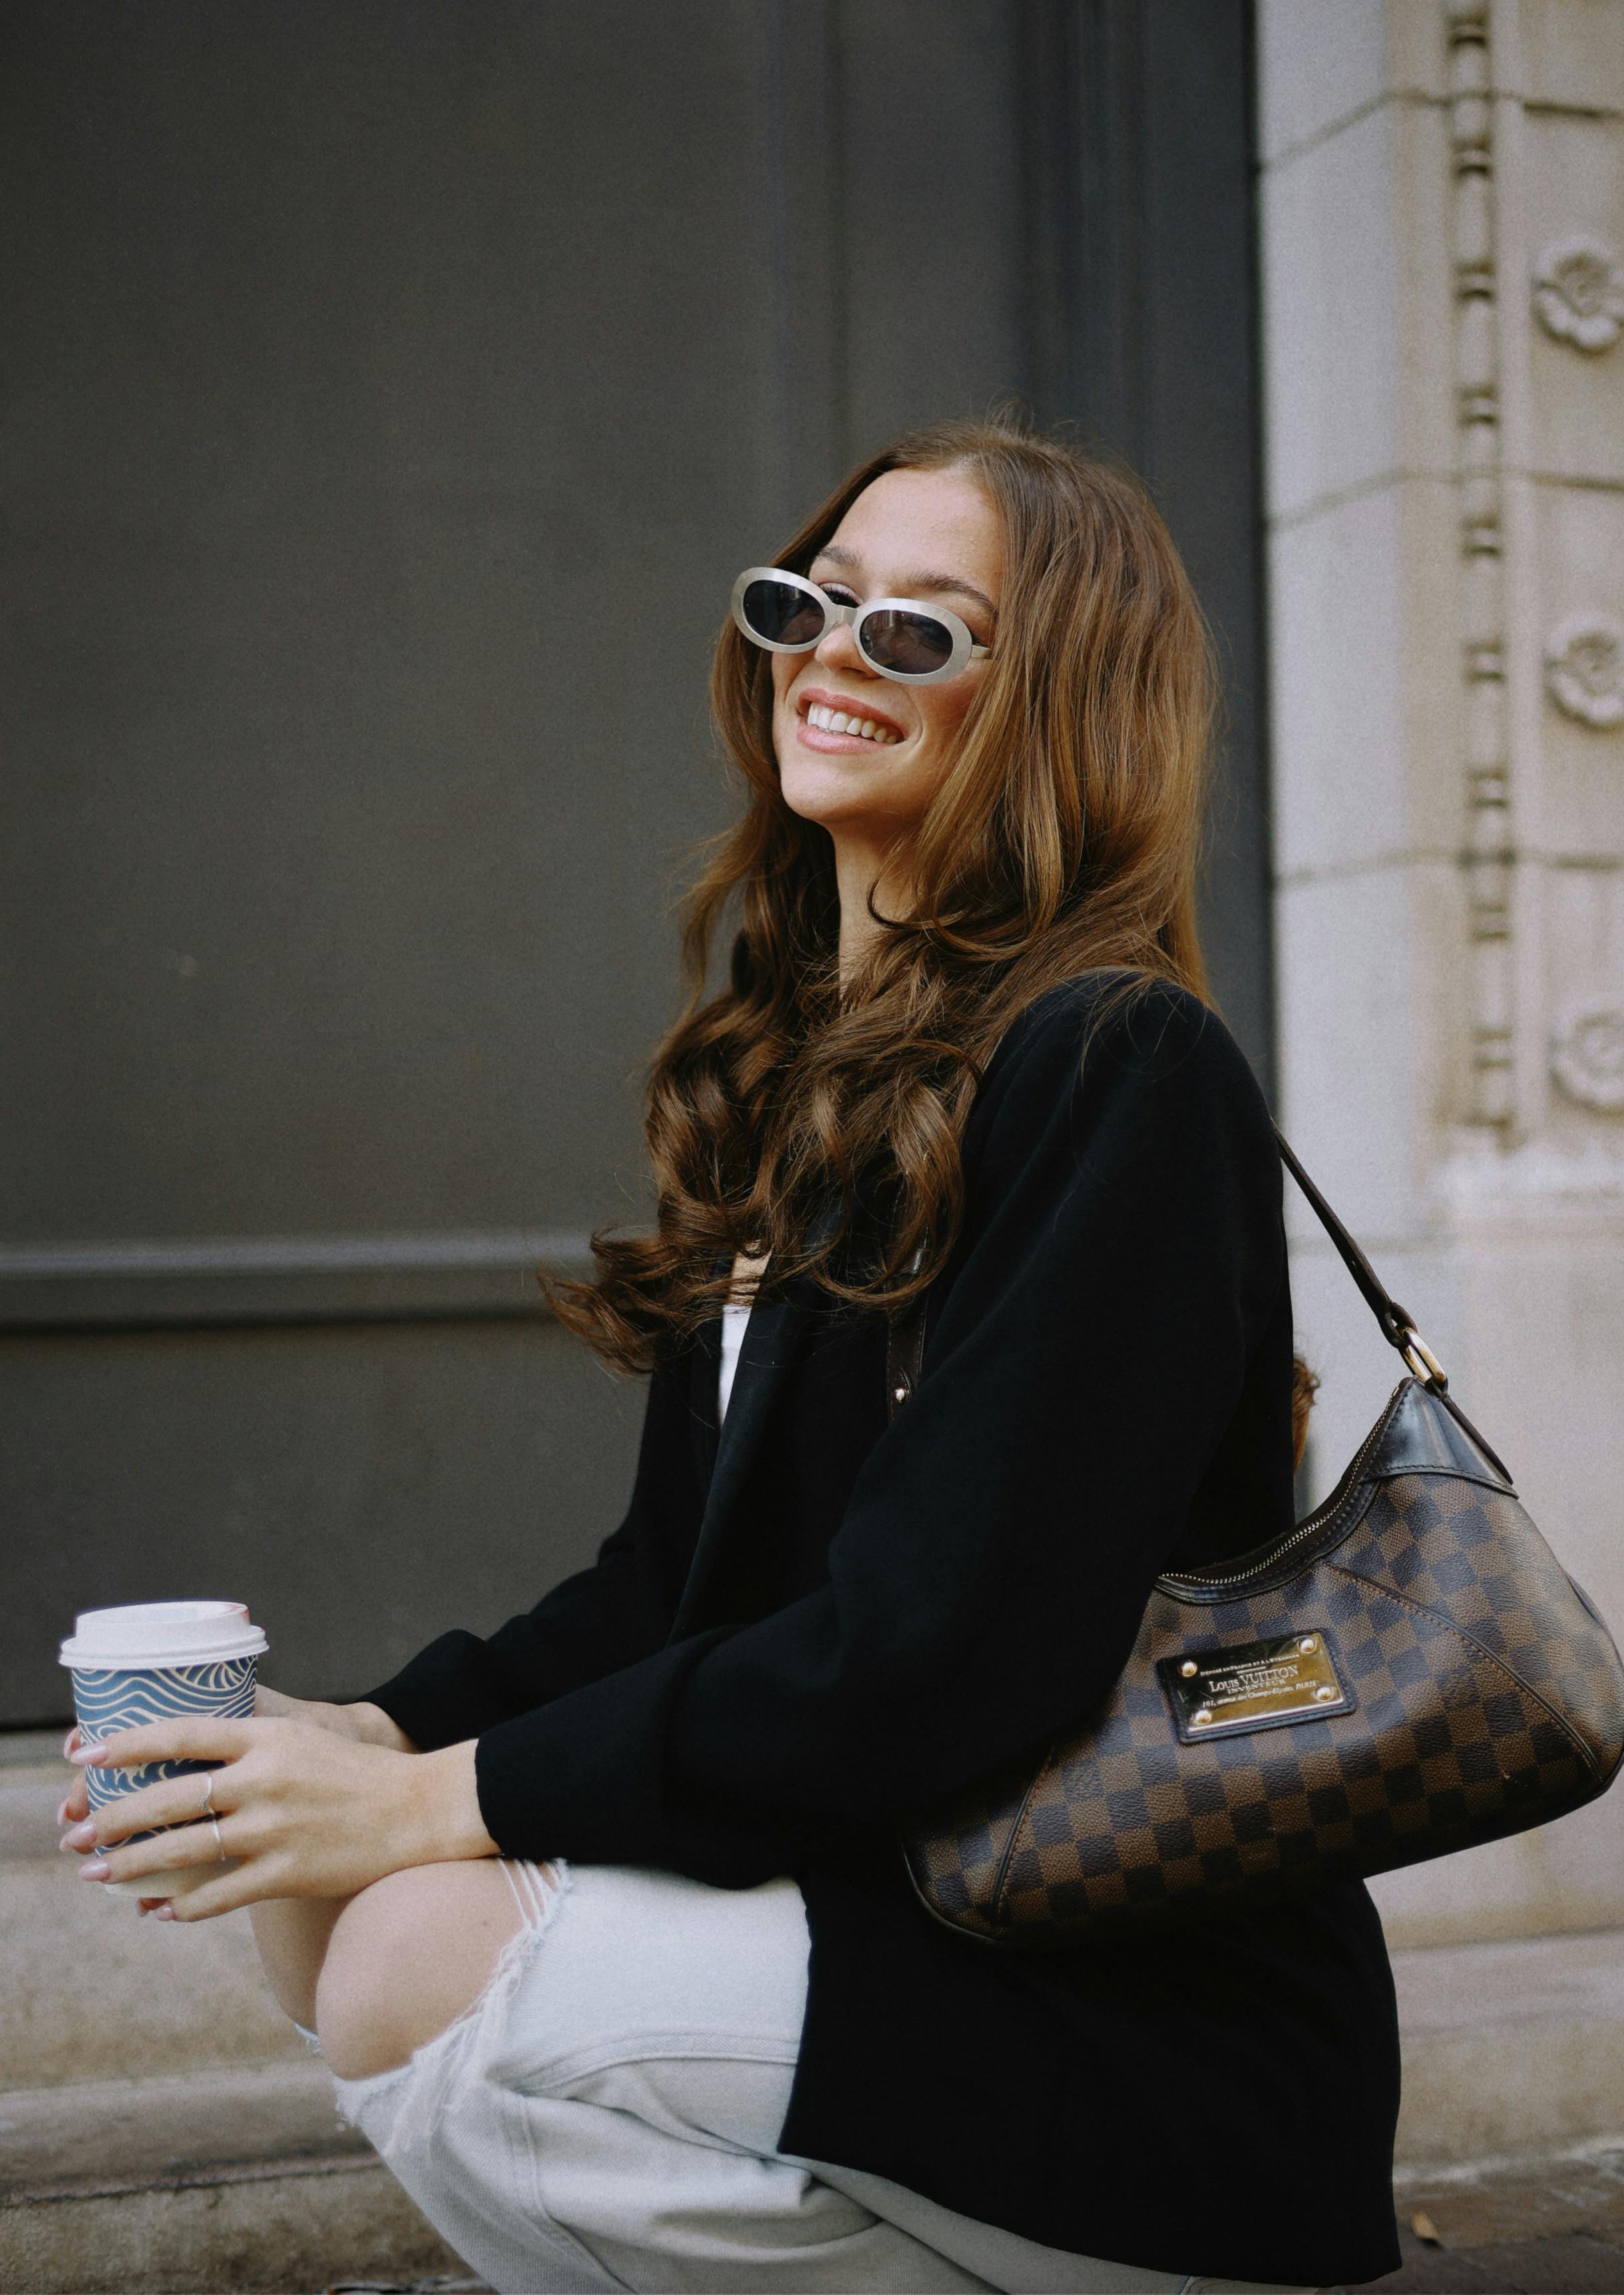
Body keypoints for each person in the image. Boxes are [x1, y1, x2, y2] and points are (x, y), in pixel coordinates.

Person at [59, 421, 1402, 2293]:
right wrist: (362, 1739)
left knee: (411, 1951)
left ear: (1062, 701)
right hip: (891, 1912)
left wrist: (430, 1805)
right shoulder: (812, 1088)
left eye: (919, 632)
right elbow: (661, 1597)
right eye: (810, 603)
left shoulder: (1119, 1065)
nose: (835, 655)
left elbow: (947, 1654)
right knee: (320, 1895)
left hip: (1134, 2015)